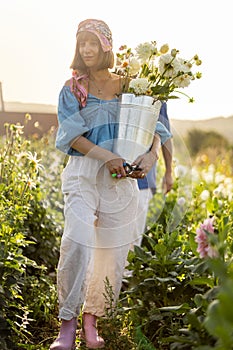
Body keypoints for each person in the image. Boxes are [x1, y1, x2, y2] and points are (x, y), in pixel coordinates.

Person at [50, 18, 172, 350]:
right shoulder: (73, 87)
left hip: (121, 181)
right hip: (84, 174)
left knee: (112, 252)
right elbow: (71, 136)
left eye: (92, 43)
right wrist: (107, 156)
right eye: (81, 44)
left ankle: (92, 320)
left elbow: (156, 130)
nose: (86, 50)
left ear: (106, 46)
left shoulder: (132, 85)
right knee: (76, 241)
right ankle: (67, 323)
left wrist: (151, 158)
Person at [135, 103, 173, 245]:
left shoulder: (157, 92)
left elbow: (165, 135)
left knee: (133, 238)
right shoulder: (113, 84)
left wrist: (169, 172)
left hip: (142, 178)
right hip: (110, 173)